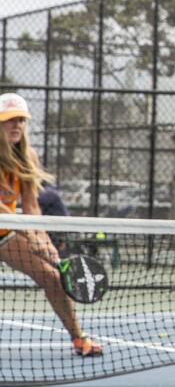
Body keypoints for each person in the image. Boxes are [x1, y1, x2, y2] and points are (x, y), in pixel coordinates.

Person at [0, 93, 101, 356]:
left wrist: (43, 239)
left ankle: (79, 339)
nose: (16, 126)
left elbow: (31, 205)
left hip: (5, 232)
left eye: (21, 120)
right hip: (8, 224)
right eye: (10, 120)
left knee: (53, 277)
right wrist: (30, 237)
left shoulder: (28, 156)